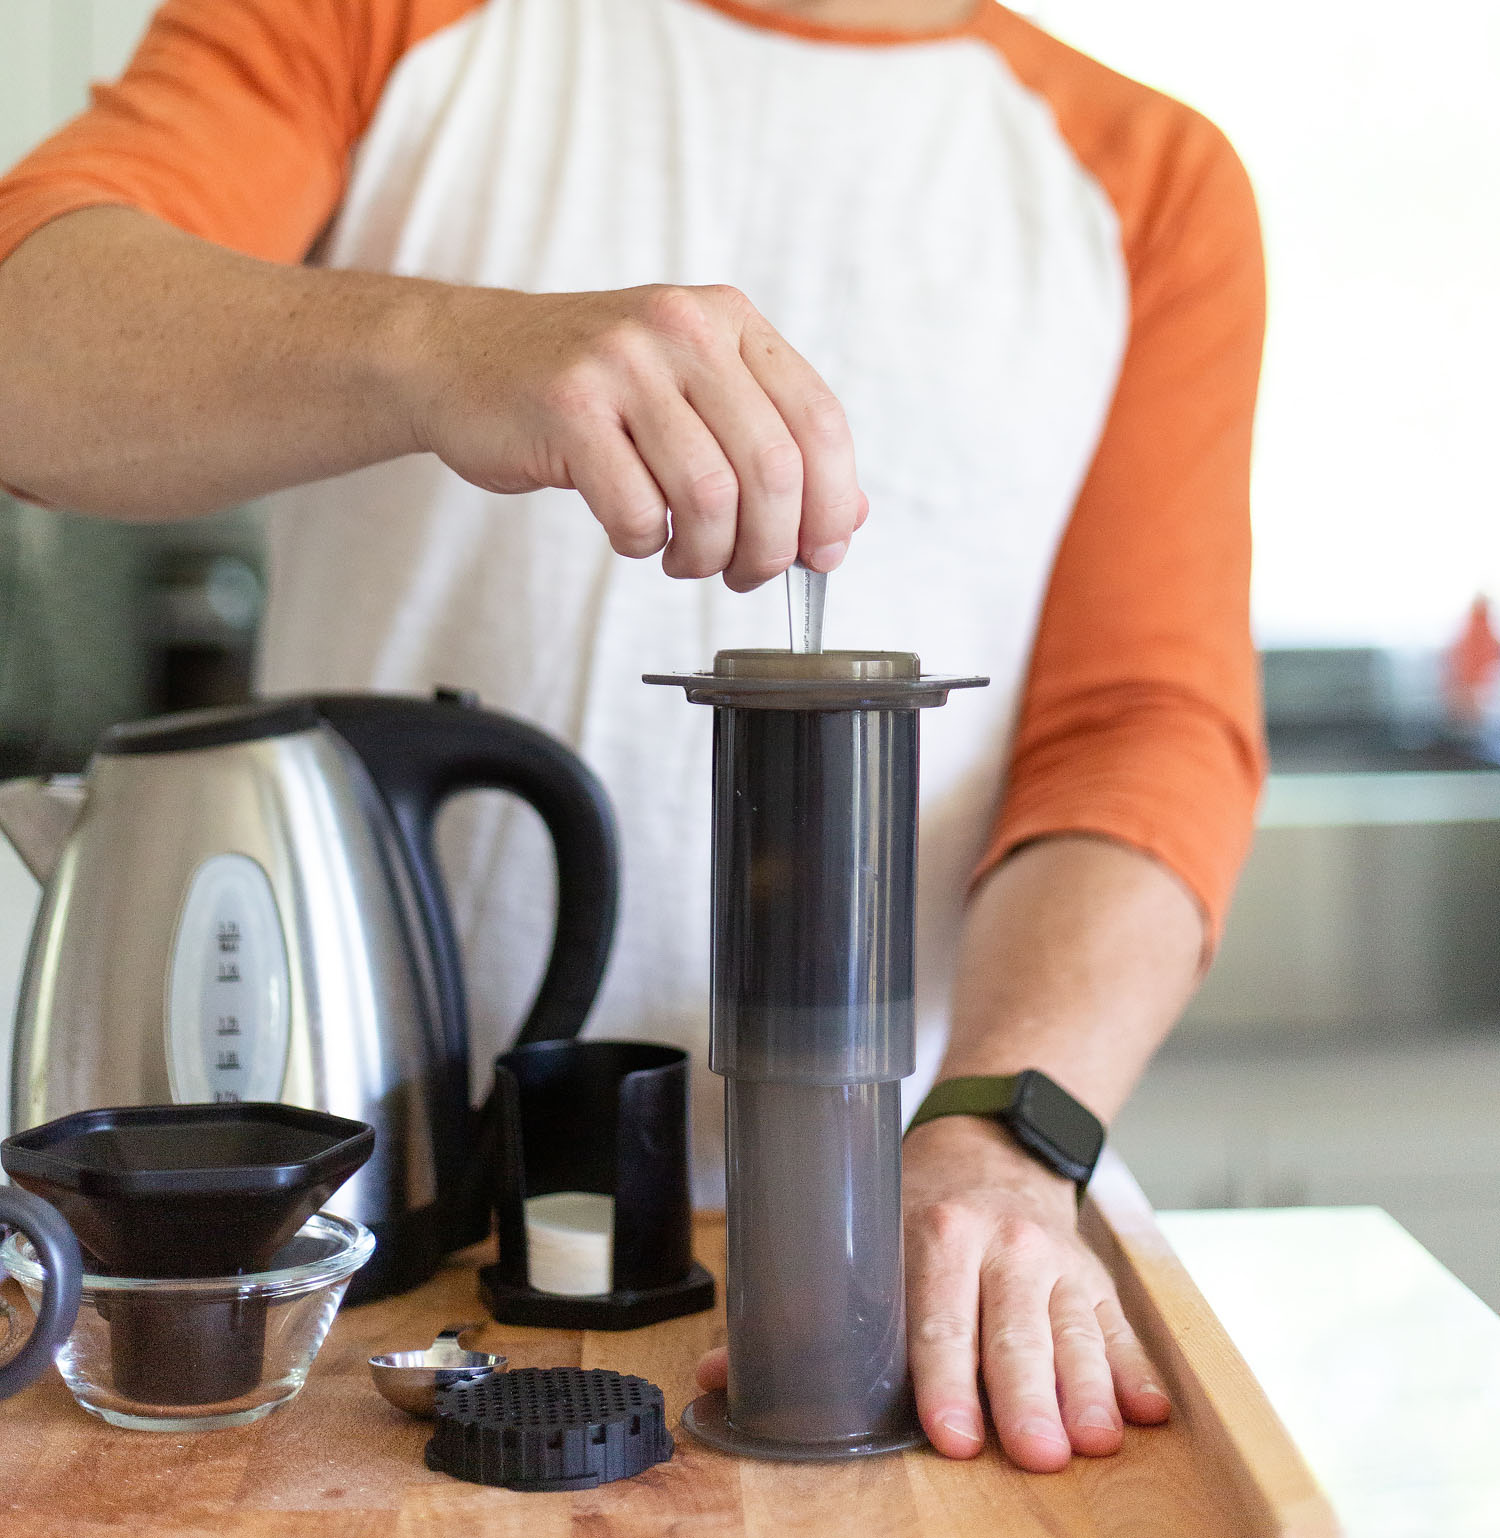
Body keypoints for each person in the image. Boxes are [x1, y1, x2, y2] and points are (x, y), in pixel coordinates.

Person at [0, 0, 1265, 1473]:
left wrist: (998, 1128)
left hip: (894, 1249)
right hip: (370, 1272)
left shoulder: (1151, 183)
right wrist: (442, 343)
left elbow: (1141, 729)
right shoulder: (392, 18)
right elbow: (29, 347)